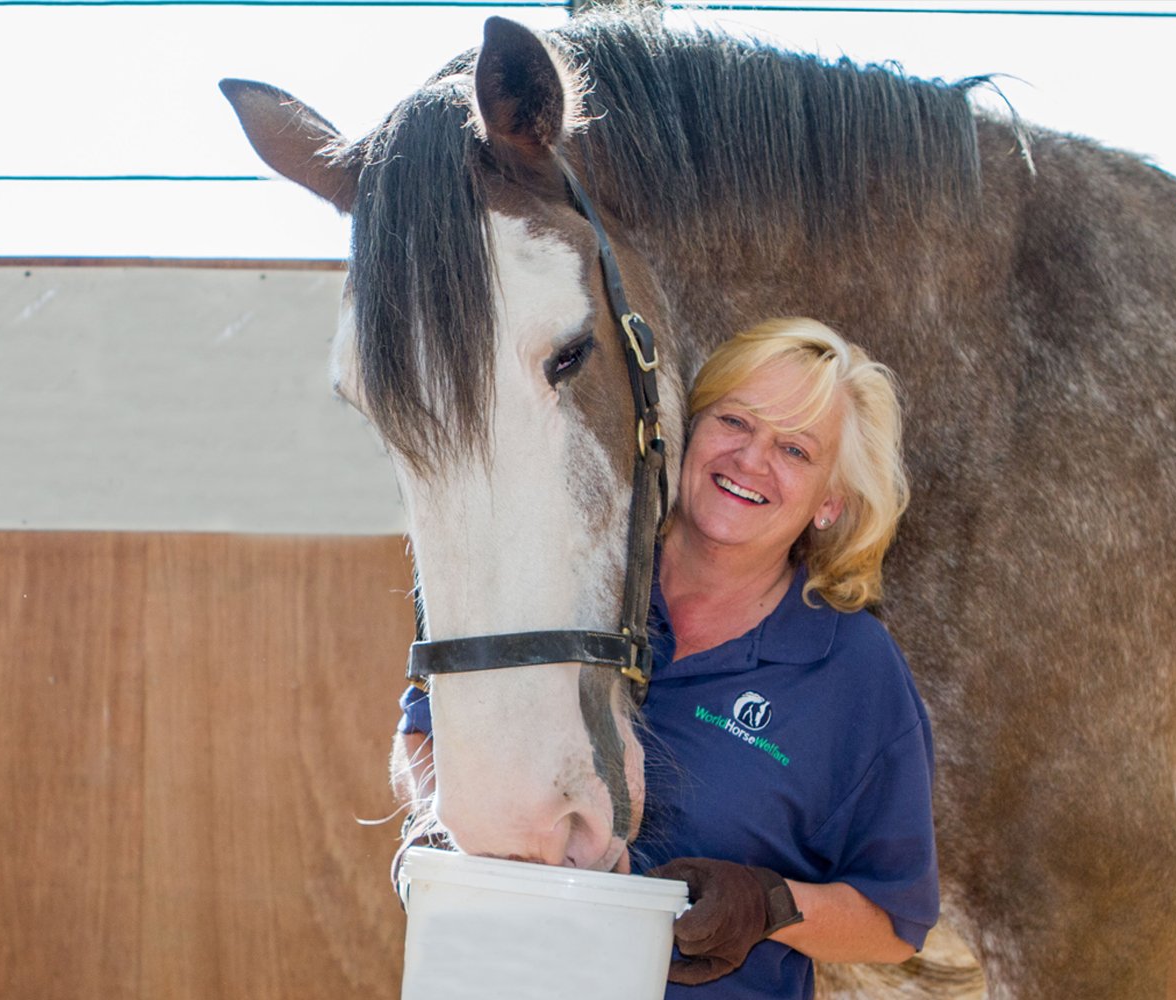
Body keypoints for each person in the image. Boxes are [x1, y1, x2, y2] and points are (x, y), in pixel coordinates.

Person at [394, 317, 938, 996]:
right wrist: (453, 831)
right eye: (735, 421)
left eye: (795, 450)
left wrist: (767, 904)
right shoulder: (565, 578)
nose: (750, 459)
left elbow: (894, 920)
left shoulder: (852, 671)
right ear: (682, 431)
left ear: (830, 503)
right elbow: (423, 734)